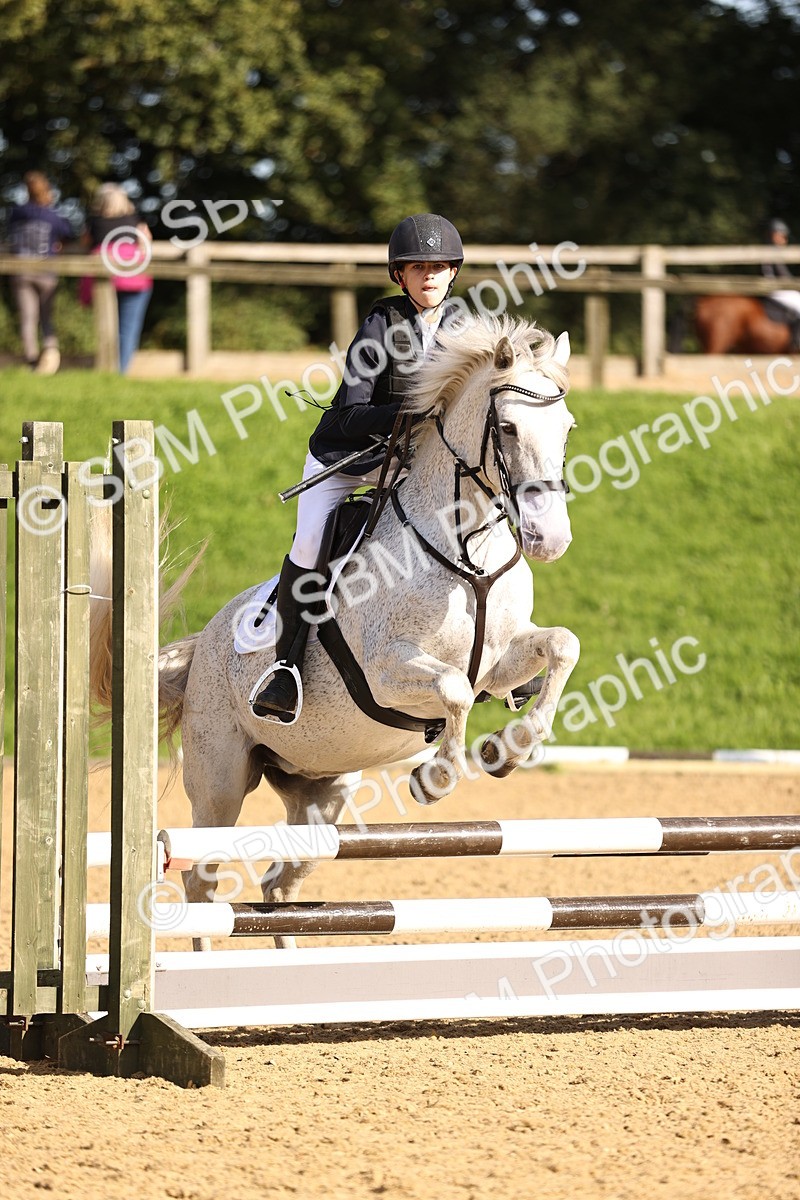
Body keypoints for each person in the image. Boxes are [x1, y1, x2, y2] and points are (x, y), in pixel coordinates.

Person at [251, 212, 464, 723]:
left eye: (438, 266)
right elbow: (349, 412)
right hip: (347, 457)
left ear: (453, 272)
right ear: (400, 276)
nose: (429, 275)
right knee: (309, 545)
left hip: (410, 464)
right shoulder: (380, 325)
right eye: (417, 267)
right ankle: (285, 668)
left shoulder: (463, 328)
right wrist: (406, 413)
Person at [81, 183, 153, 373]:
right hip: (135, 278)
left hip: (106, 278)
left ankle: (107, 369)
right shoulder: (134, 220)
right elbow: (146, 241)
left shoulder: (94, 223)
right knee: (128, 329)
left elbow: (84, 243)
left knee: (107, 327)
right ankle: (121, 371)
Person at [7, 171, 73, 373]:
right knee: (46, 317)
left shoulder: (17, 213)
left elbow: (9, 237)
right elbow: (68, 234)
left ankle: (32, 360)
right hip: (47, 272)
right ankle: (51, 354)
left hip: (21, 270)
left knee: (28, 318)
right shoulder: (52, 216)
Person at [760, 218, 800, 342]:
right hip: (775, 290)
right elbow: (783, 275)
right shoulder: (772, 252)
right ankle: (797, 341)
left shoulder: (770, 250)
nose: (785, 240)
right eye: (783, 236)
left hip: (777, 288)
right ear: (775, 235)